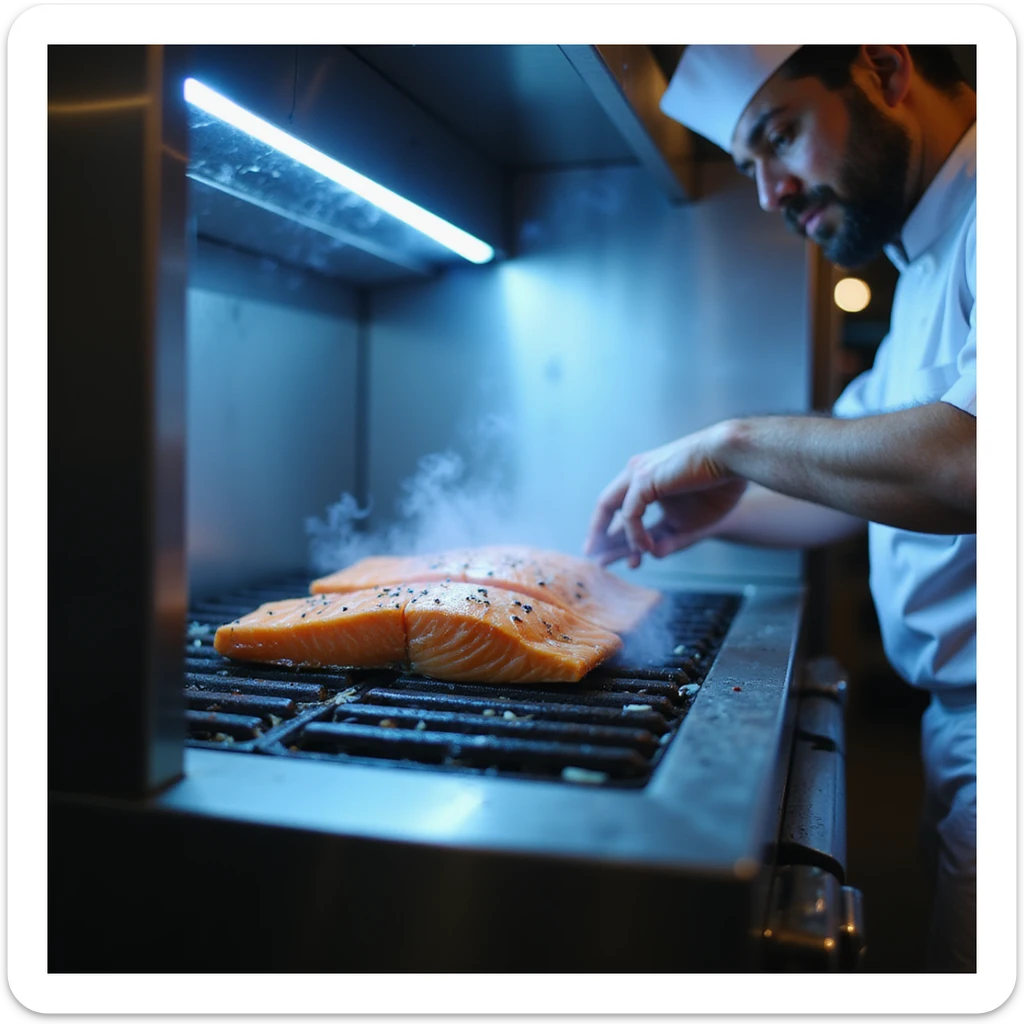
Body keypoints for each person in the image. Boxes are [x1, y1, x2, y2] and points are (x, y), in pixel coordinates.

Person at [583, 45, 976, 973]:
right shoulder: (925, 255)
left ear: (884, 70)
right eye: (749, 164)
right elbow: (860, 483)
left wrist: (729, 443)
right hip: (956, 724)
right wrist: (709, 513)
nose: (769, 191)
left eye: (779, 136)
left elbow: (971, 464)